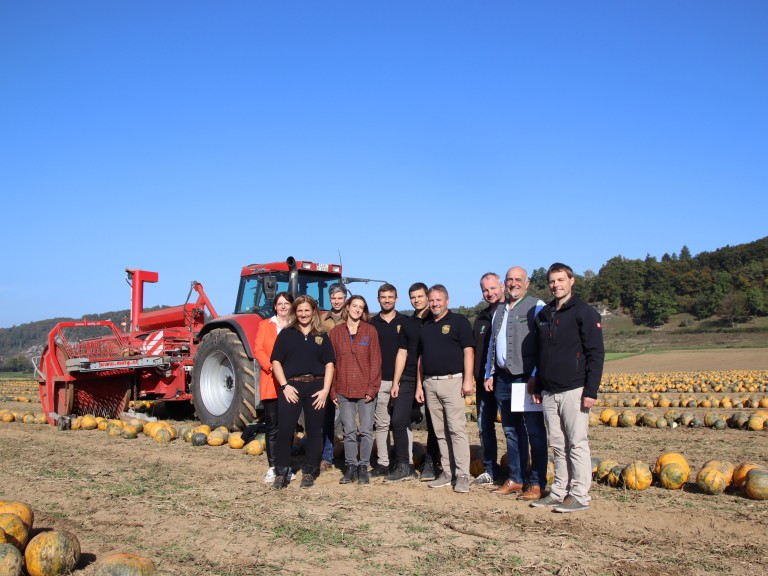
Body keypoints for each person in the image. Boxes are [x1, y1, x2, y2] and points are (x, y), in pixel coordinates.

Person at [530, 263, 605, 512]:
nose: (556, 285)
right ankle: (558, 491)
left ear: (572, 281)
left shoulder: (584, 312)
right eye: (552, 281)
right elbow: (542, 353)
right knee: (558, 444)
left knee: (577, 442)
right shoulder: (544, 314)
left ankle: (580, 495)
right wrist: (538, 383)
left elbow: (596, 353)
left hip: (575, 389)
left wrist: (591, 390)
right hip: (550, 391)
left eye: (561, 280)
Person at [484, 266, 548, 500]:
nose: (513, 283)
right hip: (503, 378)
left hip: (526, 378)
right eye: (510, 280)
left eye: (518, 280)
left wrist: (535, 374)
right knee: (511, 431)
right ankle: (516, 478)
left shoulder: (537, 305)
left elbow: (544, 343)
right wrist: (489, 373)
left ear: (527, 282)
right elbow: (493, 343)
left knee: (534, 432)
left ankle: (537, 482)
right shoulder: (499, 309)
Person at [270, 295, 336, 489]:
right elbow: (276, 362)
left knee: (314, 431)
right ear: (294, 312)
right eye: (300, 310)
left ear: (313, 311)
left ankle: (309, 471)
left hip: (316, 387)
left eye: (307, 310)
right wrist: (284, 386)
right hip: (292, 387)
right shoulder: (286, 334)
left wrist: (325, 390)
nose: (303, 314)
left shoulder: (321, 335)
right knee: (285, 431)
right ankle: (281, 472)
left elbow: (330, 364)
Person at [417, 284, 474, 493]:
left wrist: (468, 380)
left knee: (456, 430)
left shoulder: (459, 321)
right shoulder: (426, 325)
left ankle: (463, 475)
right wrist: (420, 385)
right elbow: (421, 358)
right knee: (440, 432)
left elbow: (468, 351)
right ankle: (448, 472)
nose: (434, 304)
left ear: (447, 301)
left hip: (453, 382)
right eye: (431, 300)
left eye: (438, 300)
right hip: (430, 383)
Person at [329, 295, 382, 485]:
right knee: (349, 430)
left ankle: (363, 467)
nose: (357, 310)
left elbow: (376, 361)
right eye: (354, 306)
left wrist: (372, 387)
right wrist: (332, 390)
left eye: (361, 307)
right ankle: (350, 466)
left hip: (365, 389)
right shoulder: (335, 333)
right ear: (347, 307)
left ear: (364, 310)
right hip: (343, 388)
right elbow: (332, 363)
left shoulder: (370, 332)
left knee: (366, 430)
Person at [399, 282, 442, 482]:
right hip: (408, 375)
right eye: (413, 297)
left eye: (420, 296)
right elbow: (403, 351)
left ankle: (431, 463)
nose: (417, 300)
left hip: (430, 375)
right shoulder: (408, 323)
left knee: (434, 423)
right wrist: (396, 380)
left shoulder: (435, 320)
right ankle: (403, 463)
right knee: (399, 419)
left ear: (427, 297)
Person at [253, 291, 295, 483]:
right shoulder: (265, 325)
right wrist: (271, 367)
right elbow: (258, 349)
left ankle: (286, 465)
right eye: (280, 304)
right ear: (275, 307)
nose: (283, 306)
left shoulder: (295, 327)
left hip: (291, 382)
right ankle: (272, 466)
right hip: (271, 380)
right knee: (272, 426)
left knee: (288, 426)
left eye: (286, 303)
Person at [369, 284, 410, 477]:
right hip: (380, 380)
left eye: (390, 297)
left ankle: (406, 461)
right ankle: (383, 462)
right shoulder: (371, 323)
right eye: (383, 297)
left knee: (402, 422)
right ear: (378, 299)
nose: (387, 300)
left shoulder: (406, 321)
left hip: (402, 380)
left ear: (396, 298)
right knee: (382, 423)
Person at [472, 273, 505, 486]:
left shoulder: (510, 312)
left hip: (506, 381)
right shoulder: (481, 318)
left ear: (501, 286)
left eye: (493, 288)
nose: (489, 293)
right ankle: (490, 469)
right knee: (485, 426)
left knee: (512, 427)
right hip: (483, 382)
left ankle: (517, 472)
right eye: (485, 290)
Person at [320, 283, 348, 471]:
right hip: (328, 372)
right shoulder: (323, 321)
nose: (337, 301)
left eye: (340, 298)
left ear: (345, 298)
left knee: (350, 417)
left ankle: (350, 456)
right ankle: (326, 456)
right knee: (327, 416)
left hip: (348, 372)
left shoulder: (354, 316)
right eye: (333, 298)